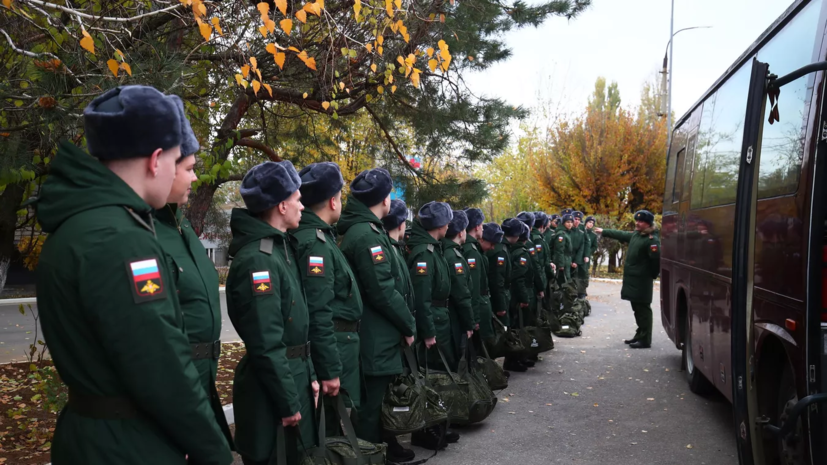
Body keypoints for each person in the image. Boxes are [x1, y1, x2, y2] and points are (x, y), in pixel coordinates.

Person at [35, 85, 233, 465]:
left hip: (94, 437)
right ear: (155, 160)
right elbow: (163, 368)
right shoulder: (122, 240)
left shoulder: (80, 224)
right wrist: (214, 452)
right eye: (178, 161)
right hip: (128, 446)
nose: (183, 174)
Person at [227, 161, 319, 465]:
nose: (302, 205)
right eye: (297, 198)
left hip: (294, 376)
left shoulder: (279, 249)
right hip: (272, 391)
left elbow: (297, 330)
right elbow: (266, 342)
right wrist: (288, 401)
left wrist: (311, 376)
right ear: (281, 206)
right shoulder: (259, 260)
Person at [155, 100, 234, 451]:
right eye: (188, 167)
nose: (195, 177)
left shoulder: (181, 226)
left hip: (203, 375)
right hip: (176, 382)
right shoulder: (147, 233)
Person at [337, 169, 416, 461]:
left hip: (379, 334)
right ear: (384, 199)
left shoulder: (370, 230)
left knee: (379, 403)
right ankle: (371, 456)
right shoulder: (366, 234)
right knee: (371, 408)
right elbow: (383, 291)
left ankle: (383, 450)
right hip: (374, 336)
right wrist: (408, 324)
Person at [290, 162, 362, 434]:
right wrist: (330, 369)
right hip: (334, 347)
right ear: (333, 201)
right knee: (335, 431)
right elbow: (320, 310)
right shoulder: (314, 244)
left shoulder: (321, 238)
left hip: (340, 345)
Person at [405, 201, 455, 450]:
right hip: (432, 320)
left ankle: (436, 425)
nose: (449, 226)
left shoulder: (433, 248)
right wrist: (427, 331)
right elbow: (422, 297)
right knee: (428, 377)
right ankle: (426, 430)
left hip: (439, 317)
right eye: (446, 221)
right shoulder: (424, 252)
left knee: (437, 377)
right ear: (439, 225)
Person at [595, 210, 661, 349]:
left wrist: (651, 276)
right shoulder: (637, 235)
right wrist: (604, 231)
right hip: (633, 280)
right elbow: (622, 234)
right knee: (637, 308)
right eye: (636, 220)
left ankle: (645, 339)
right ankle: (639, 335)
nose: (637, 223)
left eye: (640, 221)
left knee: (643, 309)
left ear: (648, 223)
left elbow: (656, 262)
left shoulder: (651, 240)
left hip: (642, 281)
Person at [501, 218, 532, 372]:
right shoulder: (521, 253)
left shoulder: (510, 249)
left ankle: (515, 359)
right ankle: (513, 359)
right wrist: (524, 298)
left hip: (510, 294)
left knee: (514, 327)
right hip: (514, 295)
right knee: (516, 327)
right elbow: (518, 278)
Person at [463, 208, 496, 346]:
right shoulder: (471, 251)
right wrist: (475, 317)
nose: (483, 228)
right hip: (477, 306)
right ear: (477, 227)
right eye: (482, 225)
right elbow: (474, 287)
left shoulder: (473, 248)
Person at [483, 222, 510, 328]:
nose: (493, 247)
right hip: (495, 298)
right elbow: (498, 279)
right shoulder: (499, 252)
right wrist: (501, 305)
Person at [552, 214, 575, 286]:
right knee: (563, 283)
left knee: (567, 281)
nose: (570, 224)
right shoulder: (561, 234)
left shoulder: (566, 232)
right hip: (563, 262)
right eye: (568, 222)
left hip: (566, 261)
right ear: (563, 223)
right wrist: (561, 265)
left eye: (571, 222)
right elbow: (559, 250)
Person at [570, 211, 587, 297]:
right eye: (575, 219)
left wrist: (576, 261)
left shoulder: (581, 233)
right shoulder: (567, 231)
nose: (577, 221)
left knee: (578, 280)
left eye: (579, 220)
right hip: (568, 259)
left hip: (576, 260)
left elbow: (581, 248)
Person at [583, 216, 599, 297]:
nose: (591, 224)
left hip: (586, 258)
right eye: (589, 222)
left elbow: (594, 246)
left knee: (585, 274)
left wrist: (588, 252)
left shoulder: (593, 235)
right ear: (586, 222)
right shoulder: (581, 231)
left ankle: (583, 289)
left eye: (592, 223)